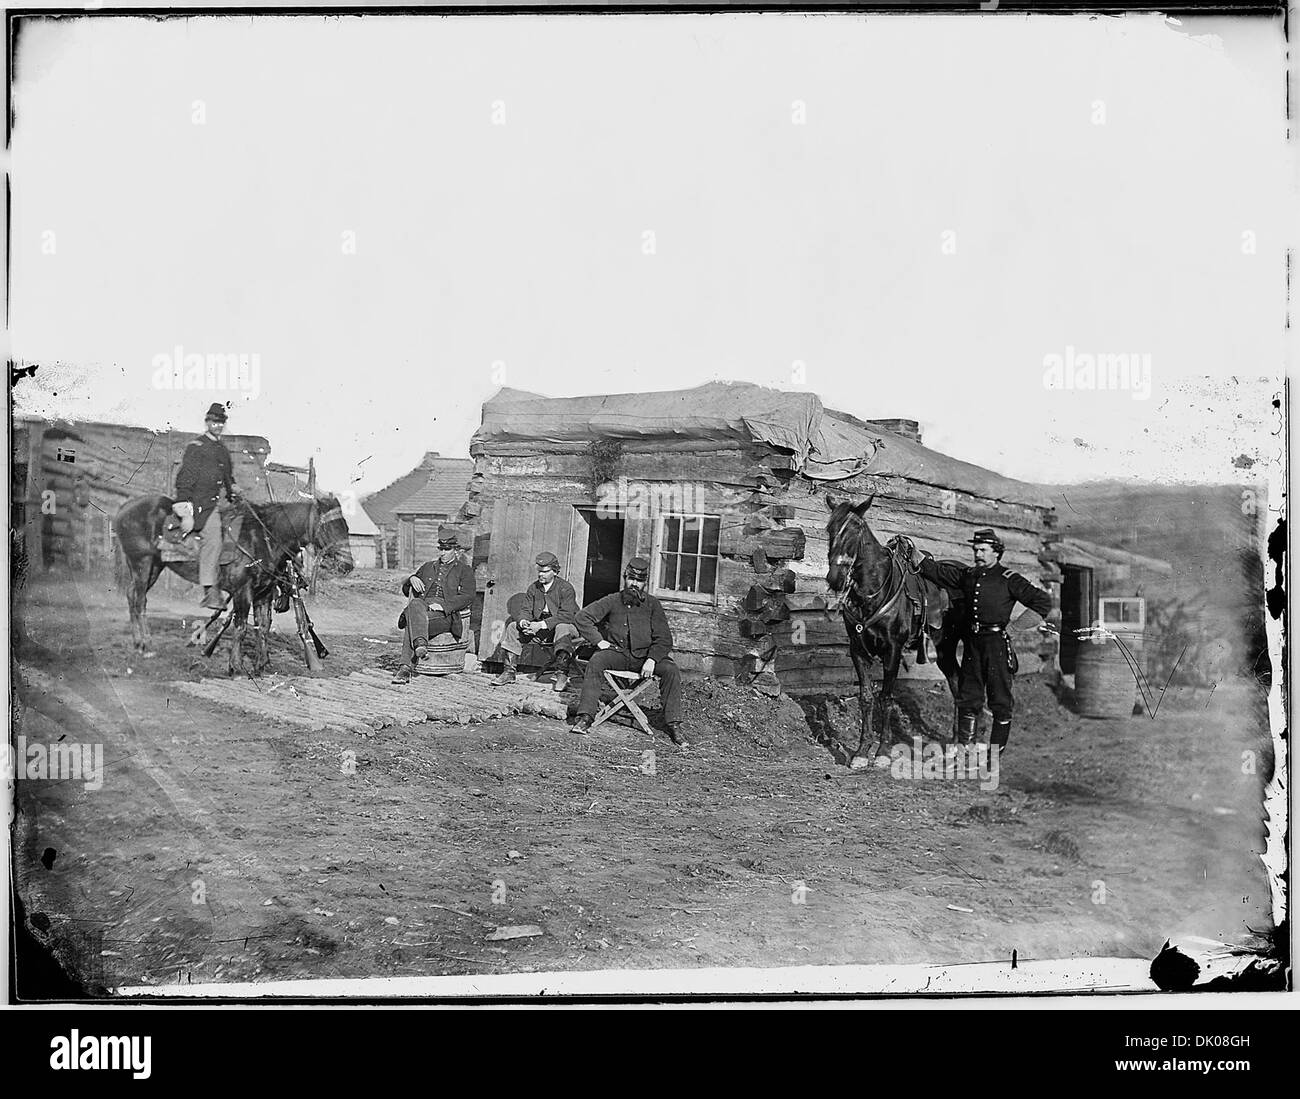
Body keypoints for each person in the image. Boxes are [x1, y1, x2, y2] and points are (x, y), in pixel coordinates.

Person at [915, 528, 1057, 761]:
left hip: (997, 646)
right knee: (968, 697)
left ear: (996, 553)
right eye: (975, 550)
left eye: (982, 550)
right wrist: (917, 557)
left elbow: (1042, 602)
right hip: (973, 645)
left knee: (1000, 700)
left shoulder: (1009, 579)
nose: (977, 554)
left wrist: (1014, 627)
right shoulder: (969, 576)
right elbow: (940, 573)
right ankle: (963, 751)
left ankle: (993, 757)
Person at [570, 556, 687, 745]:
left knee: (671, 670)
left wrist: (652, 659)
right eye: (631, 579)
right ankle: (585, 717)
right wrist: (599, 642)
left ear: (645, 583)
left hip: (645, 658)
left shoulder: (653, 605)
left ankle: (674, 725)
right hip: (618, 654)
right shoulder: (612, 600)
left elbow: (665, 639)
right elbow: (582, 617)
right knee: (596, 661)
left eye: (639, 580)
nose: (634, 584)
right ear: (624, 578)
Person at [172, 402, 239, 610]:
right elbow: (184, 479)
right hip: (200, 504)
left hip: (219, 502)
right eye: (214, 422)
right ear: (207, 422)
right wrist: (186, 511)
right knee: (213, 539)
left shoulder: (222, 449)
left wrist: (234, 490)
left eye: (221, 422)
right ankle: (210, 591)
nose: (217, 425)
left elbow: (228, 478)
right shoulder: (197, 447)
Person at [392, 525, 475, 685]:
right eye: (441, 549)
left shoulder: (464, 571)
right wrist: (411, 579)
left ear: (455, 550)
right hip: (422, 609)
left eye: (447, 549)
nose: (443, 553)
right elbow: (406, 590)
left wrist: (444, 607)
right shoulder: (427, 567)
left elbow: (468, 596)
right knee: (416, 603)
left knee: (412, 620)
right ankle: (420, 644)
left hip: (445, 616)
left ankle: (405, 669)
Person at [492, 552, 581, 691]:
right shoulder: (534, 588)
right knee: (512, 627)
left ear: (555, 571)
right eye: (539, 571)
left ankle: (562, 674)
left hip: (567, 628)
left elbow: (567, 615)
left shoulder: (566, 588)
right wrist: (524, 622)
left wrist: (540, 625)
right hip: (543, 630)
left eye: (545, 572)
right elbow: (525, 610)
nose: (541, 575)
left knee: (562, 627)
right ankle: (509, 671)